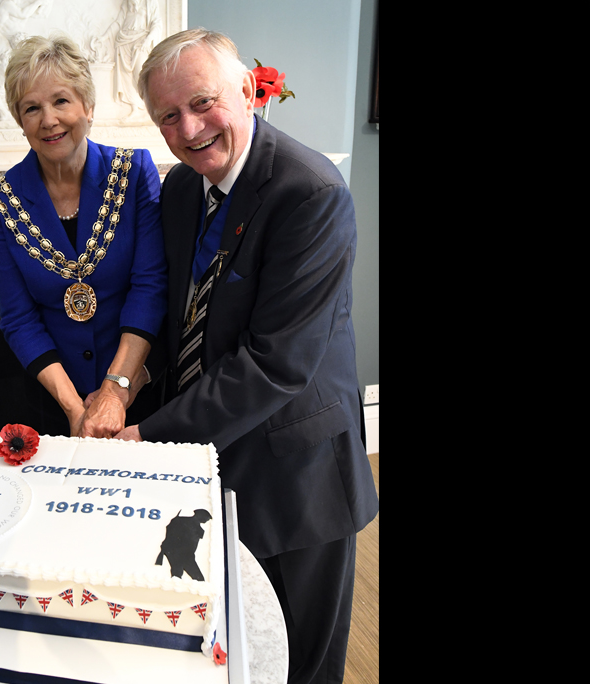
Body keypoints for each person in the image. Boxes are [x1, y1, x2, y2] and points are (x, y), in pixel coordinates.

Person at [118, 29, 379, 684]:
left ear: (245, 90)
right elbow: (180, 314)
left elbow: (275, 363)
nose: (188, 127)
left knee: (301, 658)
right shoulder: (179, 188)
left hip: (296, 471)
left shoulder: (309, 193)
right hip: (211, 453)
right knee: (234, 643)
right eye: (167, 116)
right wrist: (122, 382)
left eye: (202, 102)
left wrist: (146, 435)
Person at [0, 35, 167, 438]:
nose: (48, 119)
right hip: (55, 399)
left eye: (61, 101)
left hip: (138, 387)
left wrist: (115, 391)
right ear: (20, 121)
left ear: (88, 106)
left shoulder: (133, 173)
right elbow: (17, 316)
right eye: (32, 108)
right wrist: (74, 407)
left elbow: (150, 286)